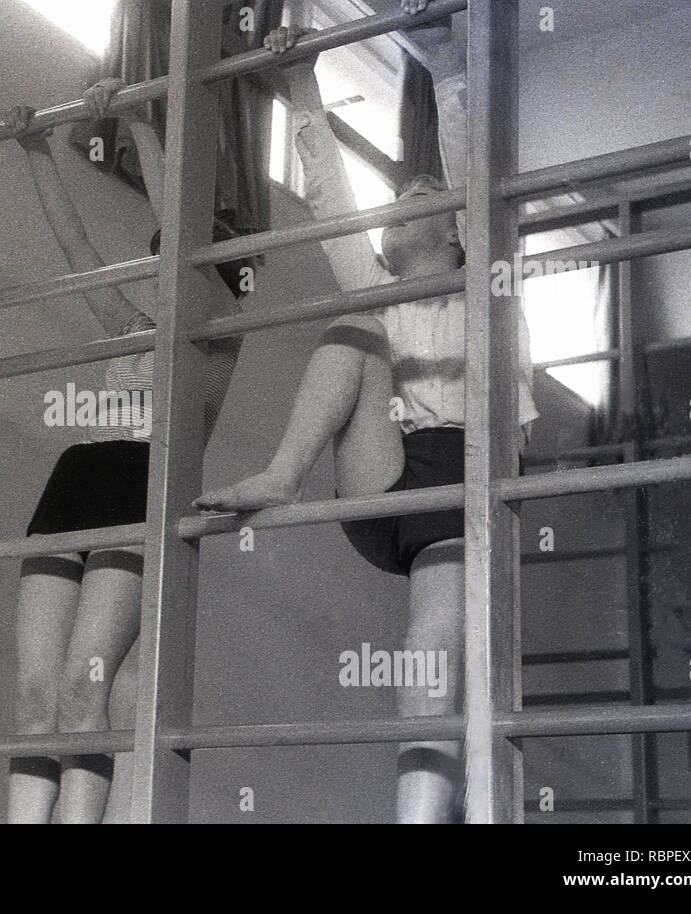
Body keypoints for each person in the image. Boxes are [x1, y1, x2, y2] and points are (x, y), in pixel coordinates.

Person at [195, 20, 537, 823]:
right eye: (397, 200)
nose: (398, 208)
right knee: (351, 325)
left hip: (469, 474)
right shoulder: (381, 287)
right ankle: (284, 473)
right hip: (388, 476)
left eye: (419, 200)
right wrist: (302, 82)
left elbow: (476, 183)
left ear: (456, 233)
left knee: (429, 658)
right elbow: (327, 196)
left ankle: (421, 816)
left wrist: (450, 73)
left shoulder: (487, 285)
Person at [5, 86, 256, 824]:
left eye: (171, 255)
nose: (158, 265)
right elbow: (75, 248)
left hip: (145, 478)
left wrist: (142, 121)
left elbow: (178, 226)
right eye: (154, 257)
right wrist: (35, 152)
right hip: (79, 475)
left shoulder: (224, 326)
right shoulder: (129, 325)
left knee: (87, 685)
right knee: (35, 693)